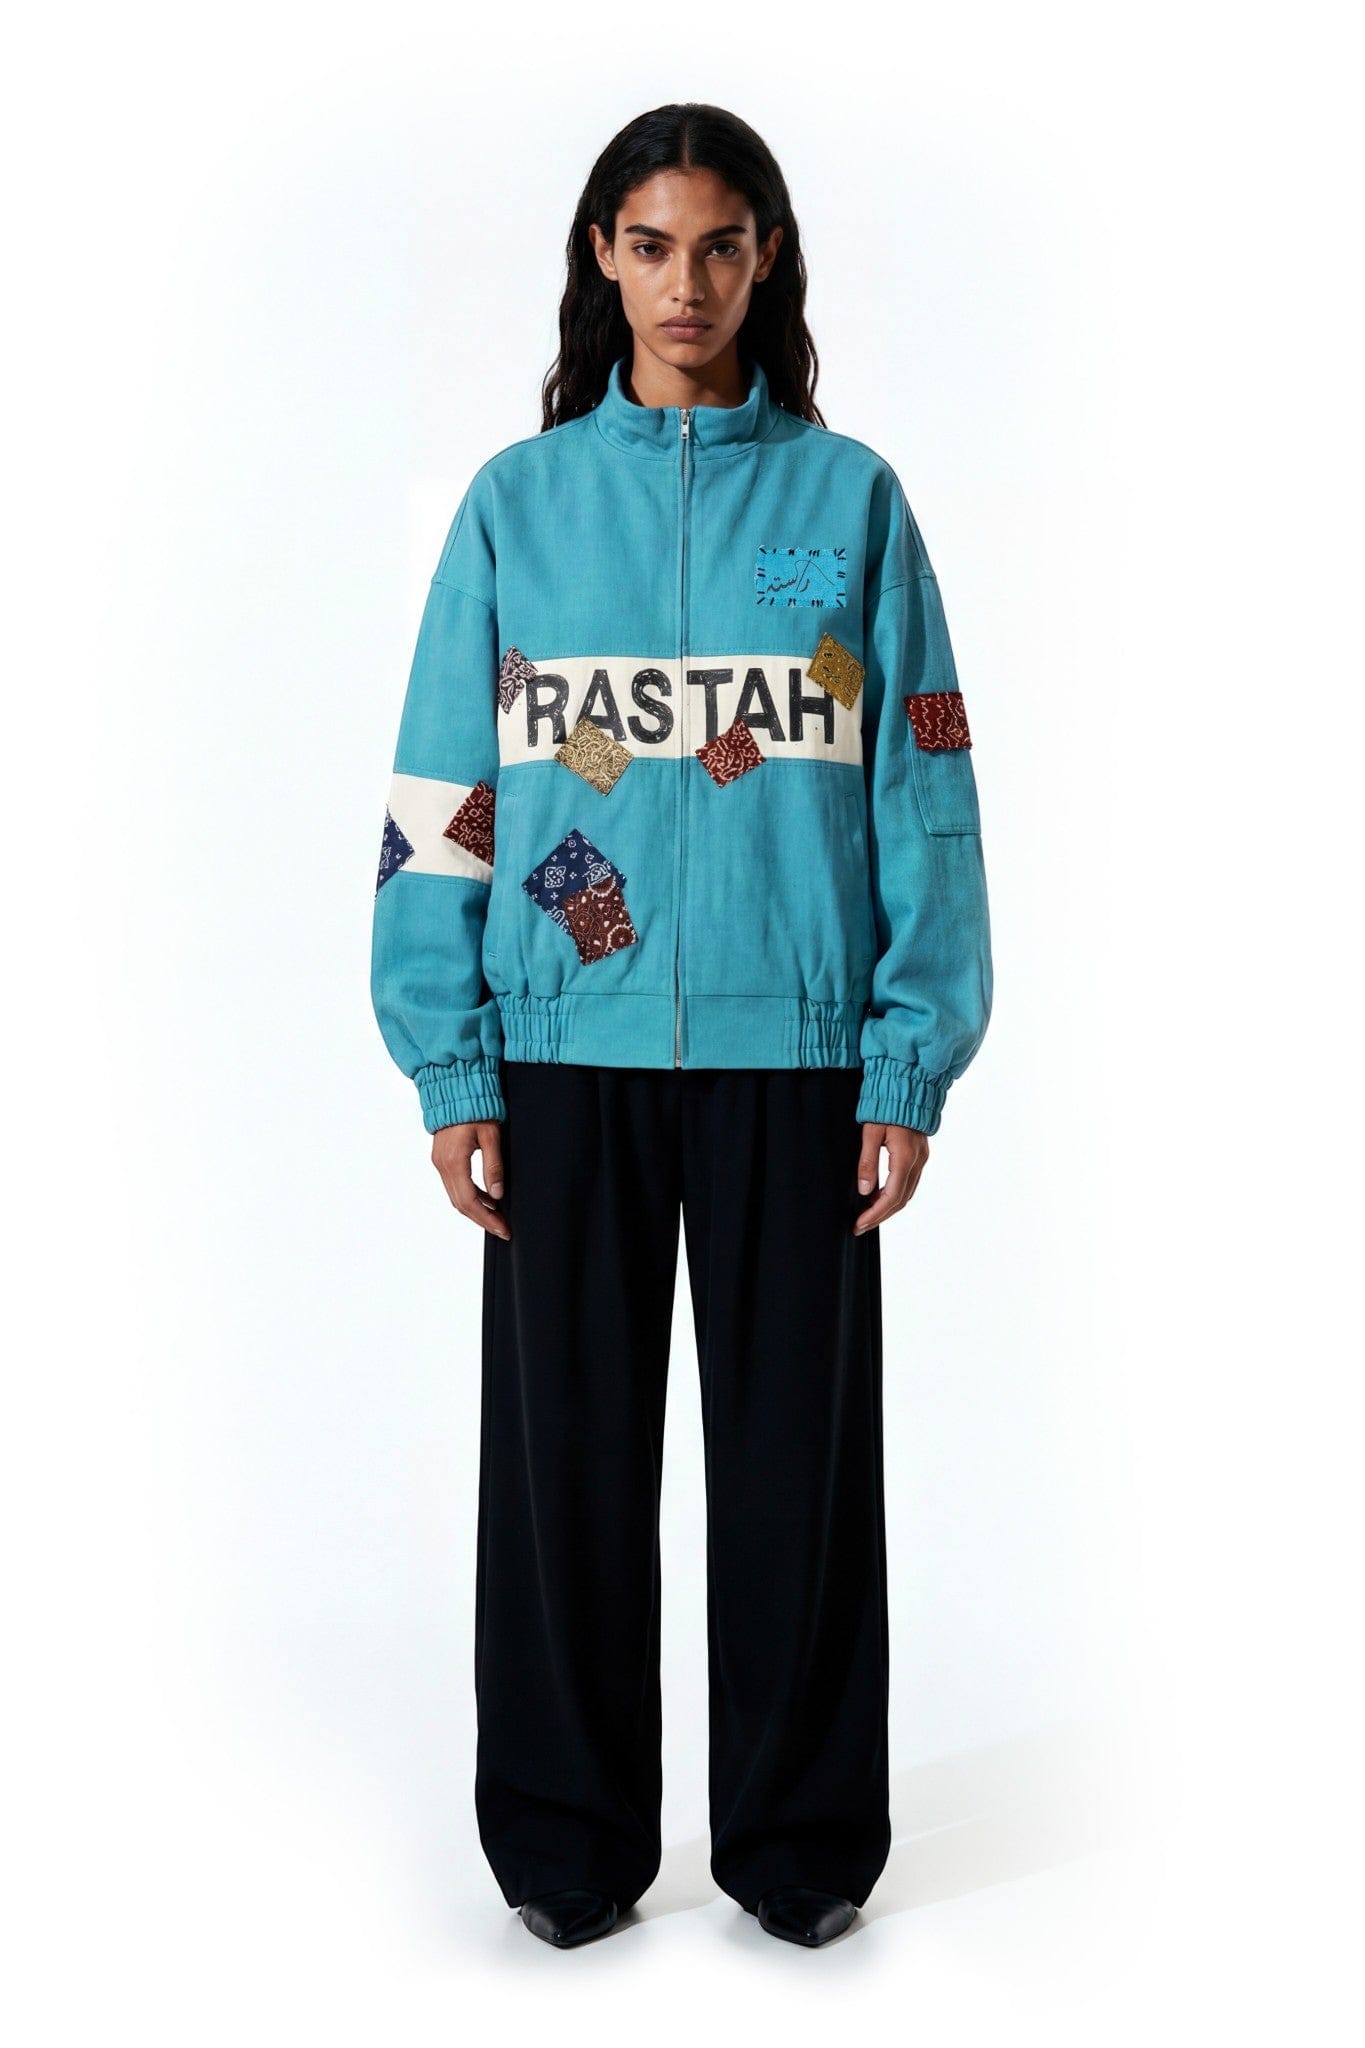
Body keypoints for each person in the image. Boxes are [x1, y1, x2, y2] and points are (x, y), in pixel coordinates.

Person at [370, 101, 993, 1950]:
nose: (686, 284)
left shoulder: (849, 503)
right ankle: (565, 1847)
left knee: (798, 1477)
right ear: (602, 258)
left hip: (797, 1063)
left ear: (765, 256)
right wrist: (450, 1058)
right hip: (561, 1057)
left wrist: (906, 1056)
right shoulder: (519, 505)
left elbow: (926, 787)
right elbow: (443, 798)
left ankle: (798, 1847)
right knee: (561, 1476)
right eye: (650, 246)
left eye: (720, 245)